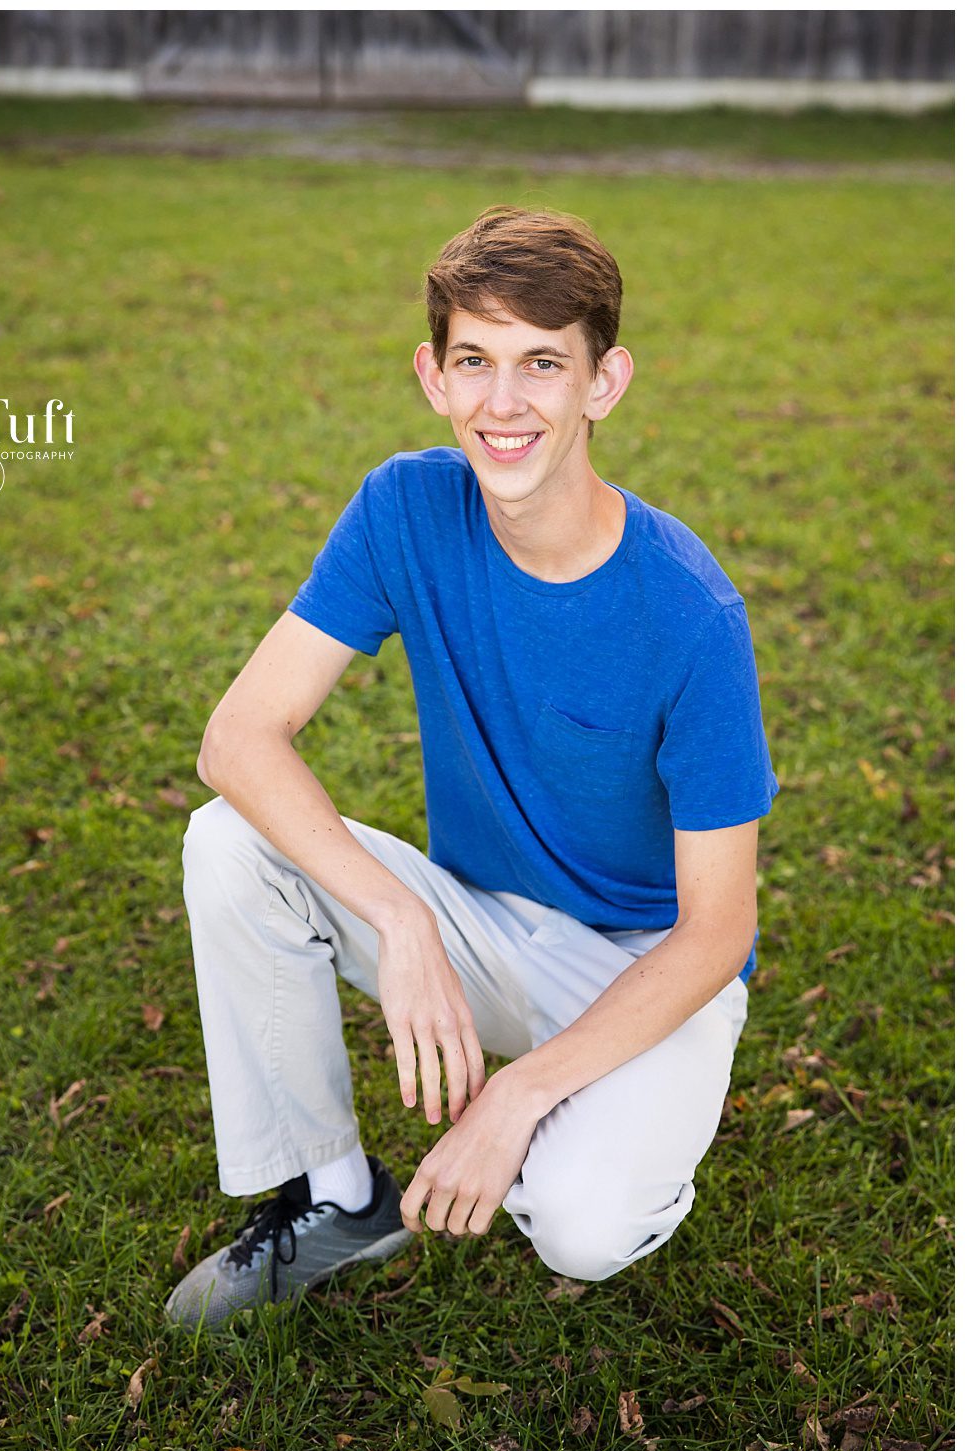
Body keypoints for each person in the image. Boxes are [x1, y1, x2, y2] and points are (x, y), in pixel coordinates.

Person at [166, 206, 775, 1330]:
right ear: (431, 376)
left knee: (583, 1229)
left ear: (602, 381)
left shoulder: (689, 616)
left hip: (644, 969)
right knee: (228, 839)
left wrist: (518, 1095)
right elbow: (235, 741)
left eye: (541, 363)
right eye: (474, 362)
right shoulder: (404, 509)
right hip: (481, 927)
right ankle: (336, 1198)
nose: (503, 404)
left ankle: (604, 1112)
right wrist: (403, 923)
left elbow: (715, 932)